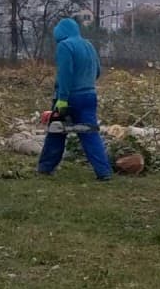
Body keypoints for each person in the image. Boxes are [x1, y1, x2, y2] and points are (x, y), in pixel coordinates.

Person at [37, 18, 112, 180]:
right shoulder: (88, 45)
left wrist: (62, 99)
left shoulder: (65, 46)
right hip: (90, 96)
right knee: (90, 134)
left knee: (56, 132)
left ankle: (45, 167)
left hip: (69, 98)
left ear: (61, 31)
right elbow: (97, 71)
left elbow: (65, 74)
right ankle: (104, 172)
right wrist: (86, 82)